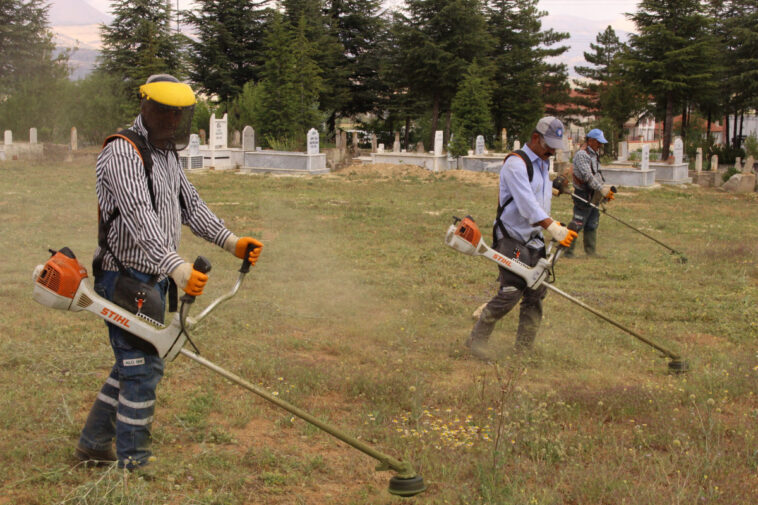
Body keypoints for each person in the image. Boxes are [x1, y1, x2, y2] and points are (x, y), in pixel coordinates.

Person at [75, 74, 264, 471]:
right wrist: (176, 266)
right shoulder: (123, 152)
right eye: (165, 112)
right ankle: (134, 462)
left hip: (152, 280)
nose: (173, 122)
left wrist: (231, 242)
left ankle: (93, 444)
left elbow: (190, 205)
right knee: (142, 366)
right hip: (123, 277)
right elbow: (139, 218)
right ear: (145, 106)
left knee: (132, 361)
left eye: (178, 114)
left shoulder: (164, 153)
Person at [464, 116, 577, 360]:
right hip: (511, 237)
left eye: (555, 148)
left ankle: (523, 350)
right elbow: (527, 206)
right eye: (549, 146)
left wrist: (551, 196)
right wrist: (554, 227)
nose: (552, 152)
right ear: (536, 138)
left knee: (536, 293)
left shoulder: (543, 163)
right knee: (511, 291)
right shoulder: (516, 164)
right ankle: (476, 340)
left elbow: (538, 198)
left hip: (534, 238)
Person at [564, 128, 614, 258]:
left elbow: (596, 174)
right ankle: (567, 252)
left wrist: (603, 190)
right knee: (578, 222)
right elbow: (588, 176)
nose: (600, 145)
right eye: (599, 142)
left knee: (592, 222)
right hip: (583, 194)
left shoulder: (594, 155)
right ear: (591, 141)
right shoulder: (582, 155)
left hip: (593, 193)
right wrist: (601, 189)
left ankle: (590, 252)